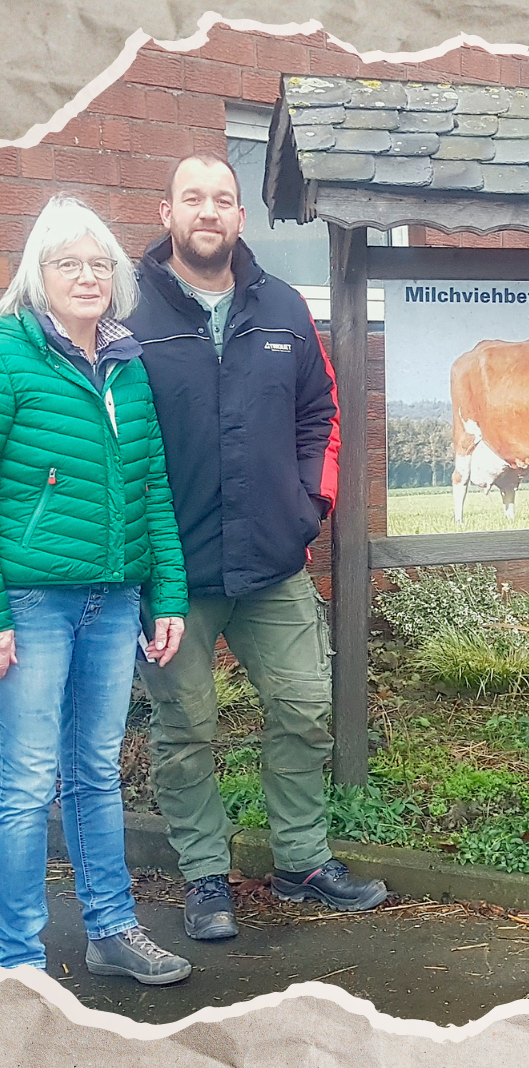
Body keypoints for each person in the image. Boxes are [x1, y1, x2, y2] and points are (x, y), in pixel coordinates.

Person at [126, 154, 387, 942]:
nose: (209, 211)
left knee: (305, 710)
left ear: (242, 219)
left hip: (272, 562)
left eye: (224, 200)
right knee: (186, 729)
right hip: (174, 574)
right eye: (193, 198)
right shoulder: (128, 314)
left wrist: (310, 506)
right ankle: (206, 875)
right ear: (167, 211)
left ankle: (302, 861)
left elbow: (323, 412)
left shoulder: (281, 308)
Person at [0, 194, 191, 983]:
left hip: (114, 601)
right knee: (25, 780)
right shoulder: (10, 354)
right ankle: (17, 957)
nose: (87, 276)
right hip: (33, 603)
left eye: (98, 264)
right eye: (67, 262)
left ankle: (112, 930)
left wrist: (167, 595)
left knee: (95, 769)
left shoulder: (127, 364)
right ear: (37, 277)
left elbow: (152, 488)